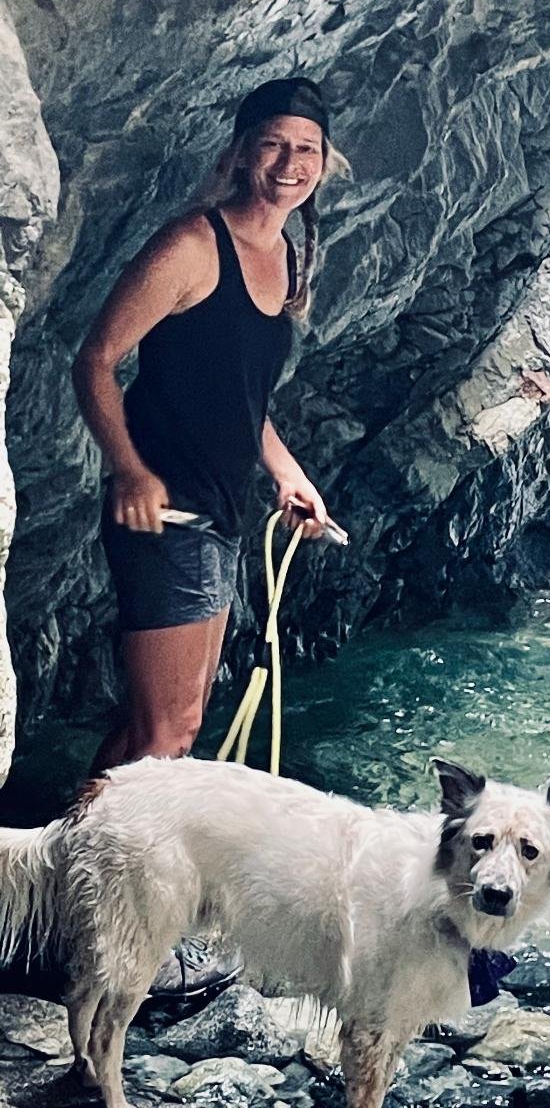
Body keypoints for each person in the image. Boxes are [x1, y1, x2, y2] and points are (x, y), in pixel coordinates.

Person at [71, 77, 345, 992]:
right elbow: (97, 359)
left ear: (323, 163)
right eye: (272, 145)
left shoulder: (290, 259)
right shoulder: (197, 243)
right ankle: (87, 914)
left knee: (159, 727)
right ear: (239, 150)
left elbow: (243, 401)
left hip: (224, 514)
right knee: (166, 731)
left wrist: (287, 473)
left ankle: (69, 890)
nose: (288, 166)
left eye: (305, 150)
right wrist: (129, 469)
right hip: (169, 513)